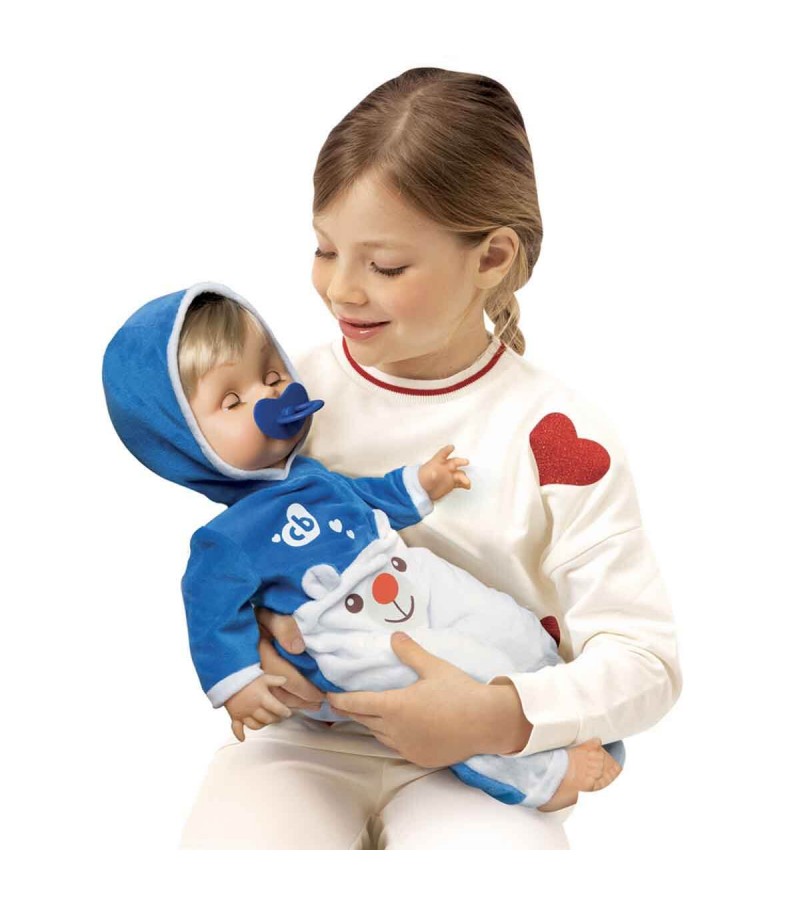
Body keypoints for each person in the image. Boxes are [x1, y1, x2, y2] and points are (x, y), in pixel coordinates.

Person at [182, 67, 681, 850]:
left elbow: (646, 663)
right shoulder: (294, 394)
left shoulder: (552, 433)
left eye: (384, 266)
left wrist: (500, 715)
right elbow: (238, 552)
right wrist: (258, 644)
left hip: (487, 759)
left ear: (491, 257)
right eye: (324, 249)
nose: (341, 289)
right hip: (310, 739)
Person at [102, 283, 625, 816]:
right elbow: (210, 612)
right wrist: (236, 683)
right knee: (441, 700)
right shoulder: (226, 538)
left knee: (499, 618)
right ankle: (543, 777)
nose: (269, 398)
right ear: (184, 444)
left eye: (273, 376)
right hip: (346, 632)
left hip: (408, 574)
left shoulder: (314, 475)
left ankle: (555, 698)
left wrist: (422, 482)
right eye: (233, 401)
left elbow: (368, 497)